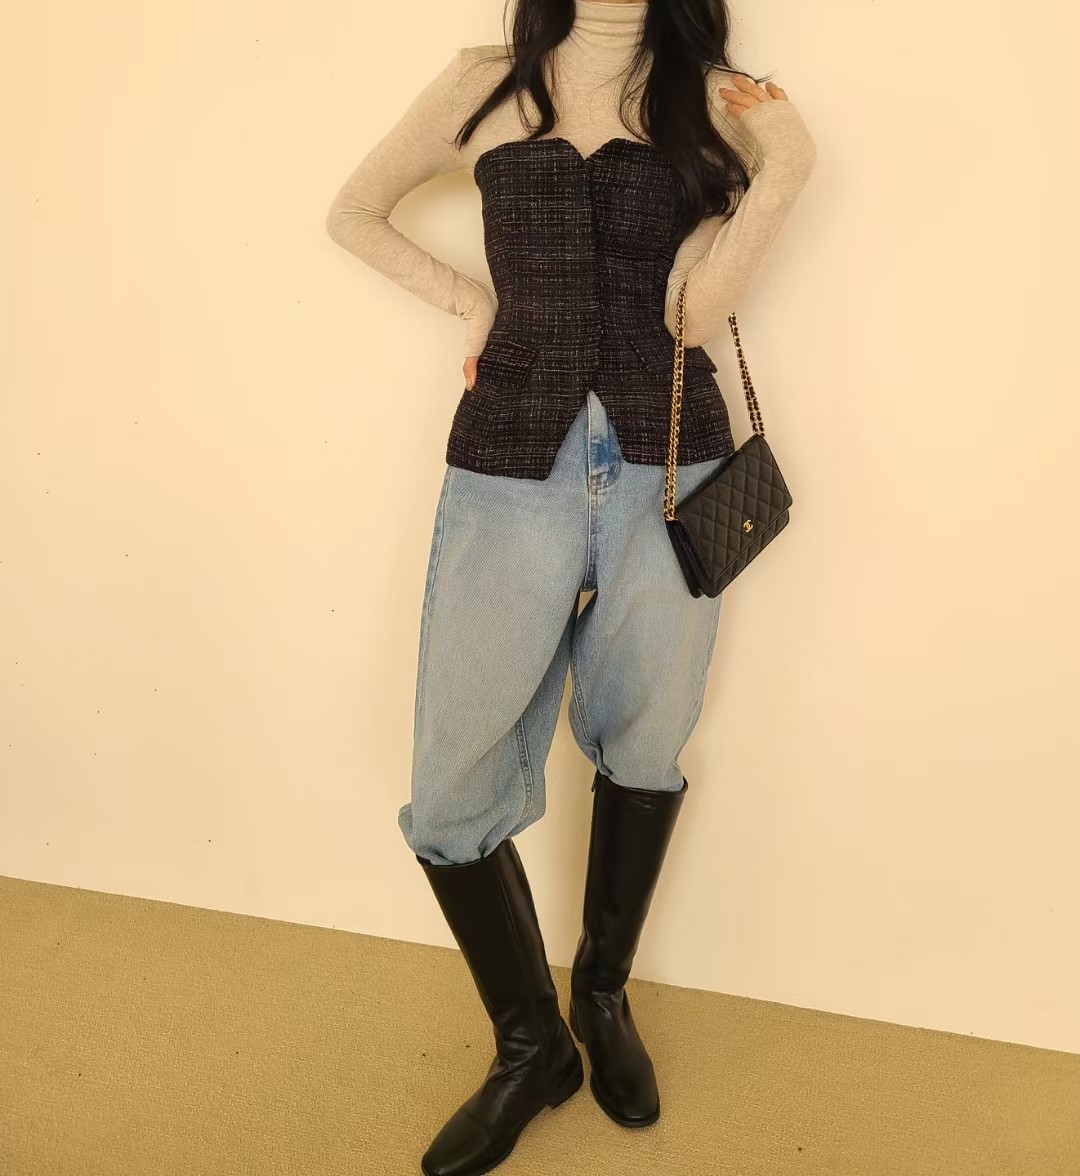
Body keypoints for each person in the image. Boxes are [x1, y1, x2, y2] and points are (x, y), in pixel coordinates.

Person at [326, 1, 816, 1172]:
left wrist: (786, 167)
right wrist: (476, 302)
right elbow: (352, 212)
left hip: (670, 467)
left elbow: (698, 313)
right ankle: (528, 1045)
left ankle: (600, 996)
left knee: (646, 737)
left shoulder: (711, 97)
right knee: (450, 784)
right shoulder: (481, 82)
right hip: (508, 464)